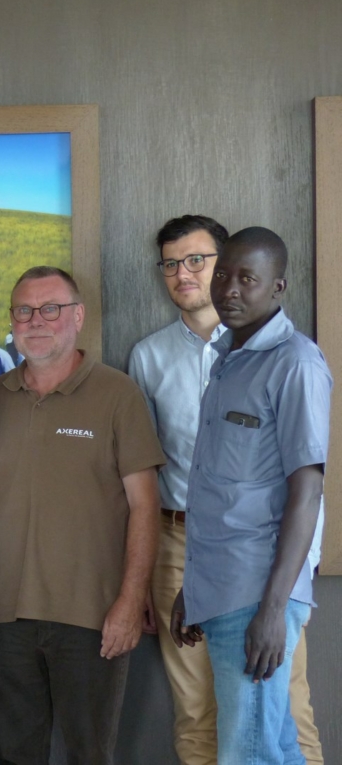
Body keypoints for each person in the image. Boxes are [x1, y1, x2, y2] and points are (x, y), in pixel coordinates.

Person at [129, 214, 325, 764]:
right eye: (224, 278)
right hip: (204, 566)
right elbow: (189, 483)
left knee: (261, 736)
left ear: (277, 286)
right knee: (251, 734)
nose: (228, 289)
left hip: (260, 580)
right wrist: (192, 584)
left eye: (244, 277)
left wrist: (277, 604)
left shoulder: (294, 362)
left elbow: (307, 489)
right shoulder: (221, 365)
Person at [0, 266, 164, 765]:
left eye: (51, 308)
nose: (36, 320)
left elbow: (145, 505)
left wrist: (130, 600)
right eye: (24, 310)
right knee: (14, 755)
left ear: (78, 316)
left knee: (89, 754)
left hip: (92, 617)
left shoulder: (117, 394)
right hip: (3, 617)